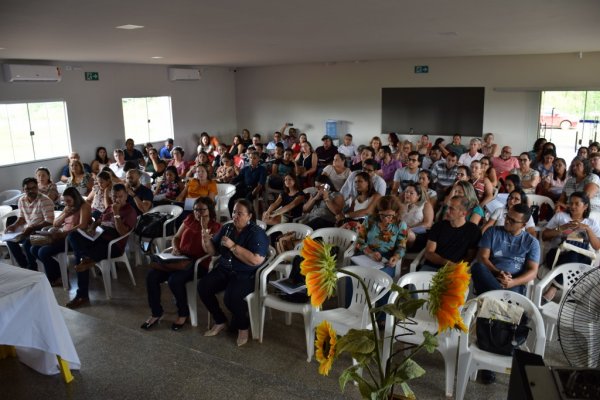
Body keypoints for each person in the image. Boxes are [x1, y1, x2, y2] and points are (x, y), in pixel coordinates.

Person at [141, 197, 221, 331]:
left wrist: (204, 228)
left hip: (198, 263)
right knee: (152, 276)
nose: (198, 213)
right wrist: (176, 248)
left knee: (175, 280)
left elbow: (211, 252)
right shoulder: (189, 219)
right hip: (179, 258)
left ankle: (183, 313)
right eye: (196, 209)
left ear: (210, 210)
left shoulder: (215, 226)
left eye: (202, 210)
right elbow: (176, 237)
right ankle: (156, 312)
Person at [198, 199, 269, 347]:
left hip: (245, 273)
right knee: (203, 286)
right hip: (225, 269)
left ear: (249, 216)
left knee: (231, 298)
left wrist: (233, 246)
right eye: (234, 212)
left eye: (240, 213)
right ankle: (220, 320)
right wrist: (206, 240)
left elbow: (256, 260)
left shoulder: (257, 233)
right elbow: (213, 251)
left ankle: (243, 328)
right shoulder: (228, 228)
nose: (235, 216)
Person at [66, 183, 137, 309]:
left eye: (120, 196)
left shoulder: (129, 211)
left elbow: (123, 233)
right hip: (98, 238)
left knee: (81, 256)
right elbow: (99, 220)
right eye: (114, 196)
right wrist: (92, 228)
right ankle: (87, 259)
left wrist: (116, 214)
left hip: (113, 245)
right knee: (73, 236)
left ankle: (82, 293)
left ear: (126, 196)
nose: (117, 200)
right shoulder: (109, 207)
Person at [541, 191, 600, 302]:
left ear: (585, 206)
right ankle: (571, 291)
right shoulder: (560, 216)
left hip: (581, 259)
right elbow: (544, 236)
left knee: (577, 251)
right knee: (573, 252)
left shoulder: (591, 223)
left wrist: (587, 229)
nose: (573, 206)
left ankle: (553, 288)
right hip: (557, 256)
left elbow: (597, 246)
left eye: (577, 204)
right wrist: (563, 228)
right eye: (571, 203)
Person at [471, 203, 540, 297]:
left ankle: (492, 297)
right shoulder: (492, 231)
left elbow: (533, 272)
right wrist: (498, 272)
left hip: (514, 281)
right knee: (477, 267)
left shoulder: (532, 242)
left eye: (512, 221)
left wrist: (513, 282)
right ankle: (499, 298)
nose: (507, 221)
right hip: (491, 276)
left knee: (508, 292)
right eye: (507, 216)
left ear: (523, 225)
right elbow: (482, 257)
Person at [31, 187, 91, 286]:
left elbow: (83, 225)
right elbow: (55, 224)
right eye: (65, 201)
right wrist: (65, 214)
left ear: (75, 198)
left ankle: (56, 278)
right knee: (34, 249)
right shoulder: (67, 208)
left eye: (69, 201)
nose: (66, 203)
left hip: (74, 239)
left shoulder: (84, 206)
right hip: (62, 236)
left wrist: (65, 233)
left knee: (43, 252)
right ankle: (59, 273)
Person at [419, 196, 481, 272]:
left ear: (463, 213)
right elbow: (429, 252)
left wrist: (456, 267)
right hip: (432, 266)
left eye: (451, 209)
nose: (447, 211)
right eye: (447, 207)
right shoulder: (438, 226)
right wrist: (446, 263)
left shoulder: (473, 230)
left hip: (456, 270)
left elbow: (470, 257)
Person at [5, 177, 55, 270]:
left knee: (27, 242)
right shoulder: (21, 200)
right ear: (23, 190)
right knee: (10, 240)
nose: (31, 190)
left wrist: (32, 228)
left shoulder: (45, 200)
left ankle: (33, 268)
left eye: (34, 188)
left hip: (42, 232)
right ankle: (24, 267)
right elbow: (22, 218)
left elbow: (49, 222)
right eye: (28, 189)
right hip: (28, 230)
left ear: (37, 187)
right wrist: (14, 225)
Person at [355, 195, 407, 276]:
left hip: (386, 259)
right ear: (378, 212)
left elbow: (401, 247)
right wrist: (370, 253)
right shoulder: (370, 220)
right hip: (366, 254)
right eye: (382, 215)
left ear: (396, 213)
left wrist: (395, 257)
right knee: (354, 274)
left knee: (378, 278)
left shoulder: (400, 225)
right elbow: (359, 240)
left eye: (389, 215)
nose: (386, 219)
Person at [399, 182, 434, 250]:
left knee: (407, 233)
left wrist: (409, 228)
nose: (407, 194)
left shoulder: (426, 205)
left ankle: (402, 251)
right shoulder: (403, 205)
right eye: (406, 192)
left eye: (411, 193)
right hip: (402, 230)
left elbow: (428, 224)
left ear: (418, 196)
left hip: (418, 233)